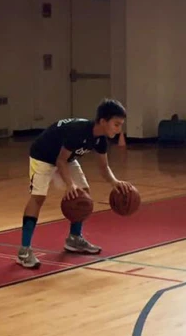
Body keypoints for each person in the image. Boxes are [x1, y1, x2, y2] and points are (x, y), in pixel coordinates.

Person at [17, 99, 134, 269]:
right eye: (116, 124)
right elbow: (60, 161)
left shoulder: (100, 139)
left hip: (65, 157)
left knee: (83, 192)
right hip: (43, 155)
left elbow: (103, 166)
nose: (119, 129)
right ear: (103, 121)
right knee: (38, 198)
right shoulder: (78, 132)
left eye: (120, 125)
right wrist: (69, 185)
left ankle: (74, 239)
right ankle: (24, 251)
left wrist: (114, 182)